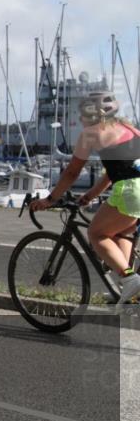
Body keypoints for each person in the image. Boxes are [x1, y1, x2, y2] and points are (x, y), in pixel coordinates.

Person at [31, 91, 140, 312]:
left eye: (82, 113)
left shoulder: (91, 133)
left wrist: (51, 199)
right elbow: (111, 173)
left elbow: (72, 172)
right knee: (121, 233)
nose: (80, 119)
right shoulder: (132, 130)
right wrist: (89, 196)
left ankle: (129, 279)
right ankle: (125, 290)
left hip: (131, 190)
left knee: (96, 234)